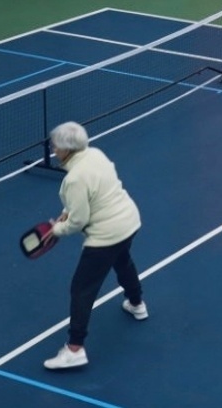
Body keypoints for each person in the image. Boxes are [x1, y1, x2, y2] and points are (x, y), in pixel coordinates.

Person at [42, 121, 148, 370]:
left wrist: (56, 230)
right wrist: (65, 212)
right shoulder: (96, 154)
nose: (53, 150)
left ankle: (75, 349)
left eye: (55, 146)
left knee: (82, 289)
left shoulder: (74, 179)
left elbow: (79, 220)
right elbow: (90, 196)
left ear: (67, 149)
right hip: (129, 221)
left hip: (106, 235)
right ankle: (136, 303)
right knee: (122, 261)